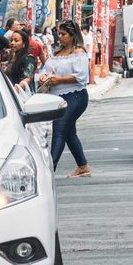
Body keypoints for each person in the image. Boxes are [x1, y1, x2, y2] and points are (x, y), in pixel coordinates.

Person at [37, 20, 92, 178]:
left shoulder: (79, 52)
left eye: (63, 34)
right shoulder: (56, 54)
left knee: (60, 128)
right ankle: (83, 166)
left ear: (72, 35)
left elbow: (82, 77)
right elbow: (46, 70)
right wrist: (43, 77)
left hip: (76, 96)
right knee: (69, 132)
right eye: (58, 34)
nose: (59, 37)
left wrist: (59, 80)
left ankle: (48, 170)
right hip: (57, 98)